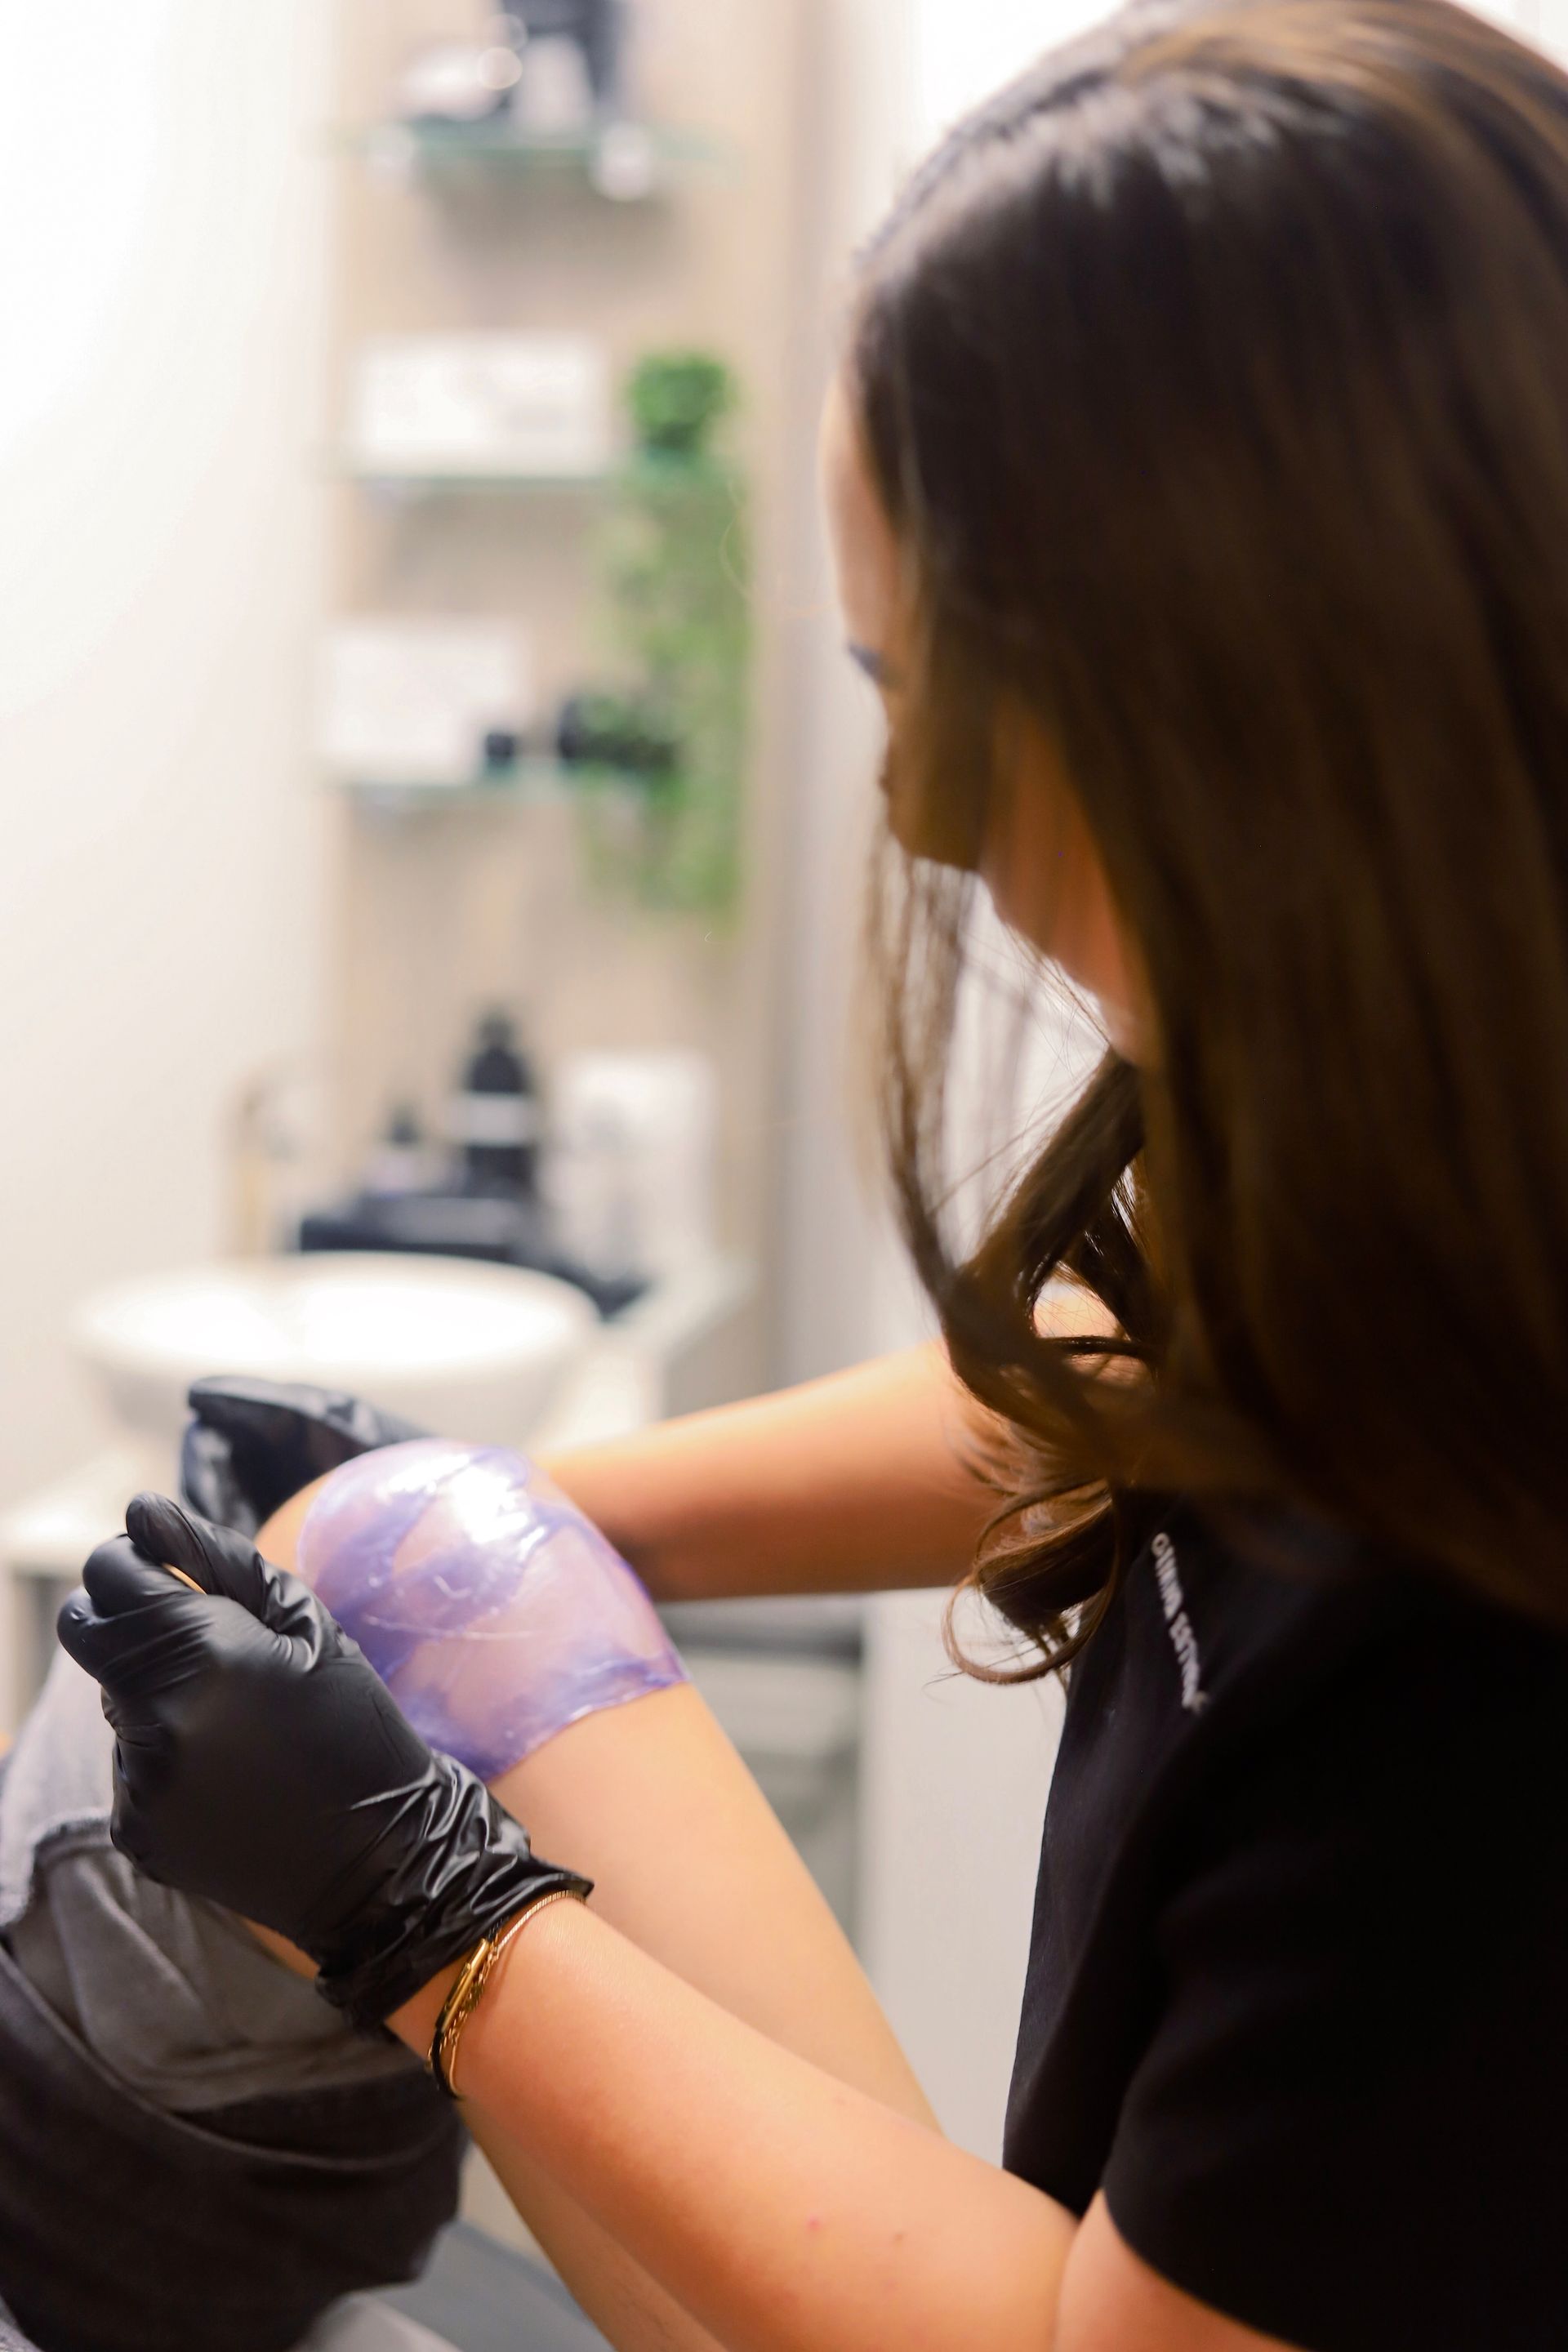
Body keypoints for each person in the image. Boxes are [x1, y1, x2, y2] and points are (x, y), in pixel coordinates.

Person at [60, 1, 1568, 2345]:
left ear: (1224, 707)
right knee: (406, 1555)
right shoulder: (1464, 1091)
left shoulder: (1493, 1653)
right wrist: (505, 1513)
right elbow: (1176, 1369)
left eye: (916, 693)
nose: (929, 823)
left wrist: (421, 1916)